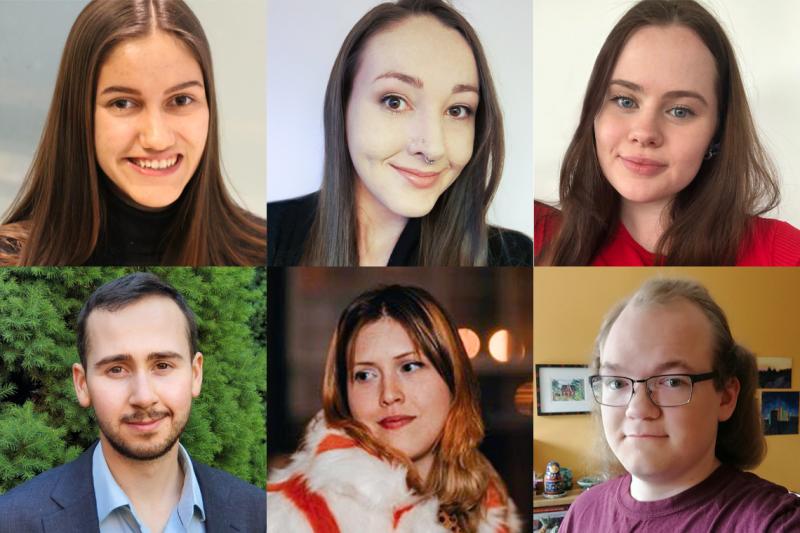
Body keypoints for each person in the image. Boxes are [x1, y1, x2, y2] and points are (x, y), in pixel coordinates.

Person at [0, 0, 266, 266]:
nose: (157, 138)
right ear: (79, 114)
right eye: (123, 103)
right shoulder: (10, 262)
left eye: (181, 100)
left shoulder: (270, 250)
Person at [534, 0, 800, 266]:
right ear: (595, 109)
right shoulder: (537, 240)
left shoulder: (782, 254)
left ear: (718, 131)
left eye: (680, 111)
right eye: (625, 101)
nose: (645, 133)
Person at [267, 0, 532, 266]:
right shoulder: (269, 237)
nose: (433, 148)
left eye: (457, 110)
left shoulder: (510, 258)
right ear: (343, 104)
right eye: (395, 101)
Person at [0, 272, 266, 532]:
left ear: (195, 375)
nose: (143, 397)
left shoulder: (261, 515)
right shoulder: (11, 521)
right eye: (116, 369)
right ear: (82, 384)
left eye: (162, 365)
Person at [267, 285, 520, 532]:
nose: (389, 394)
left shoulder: (489, 503)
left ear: (453, 379)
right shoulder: (299, 516)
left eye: (409, 367)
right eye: (365, 375)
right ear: (345, 395)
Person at [559, 278, 800, 532]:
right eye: (617, 383)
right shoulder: (583, 513)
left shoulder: (774, 523)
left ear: (726, 397)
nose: (638, 409)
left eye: (672, 381)